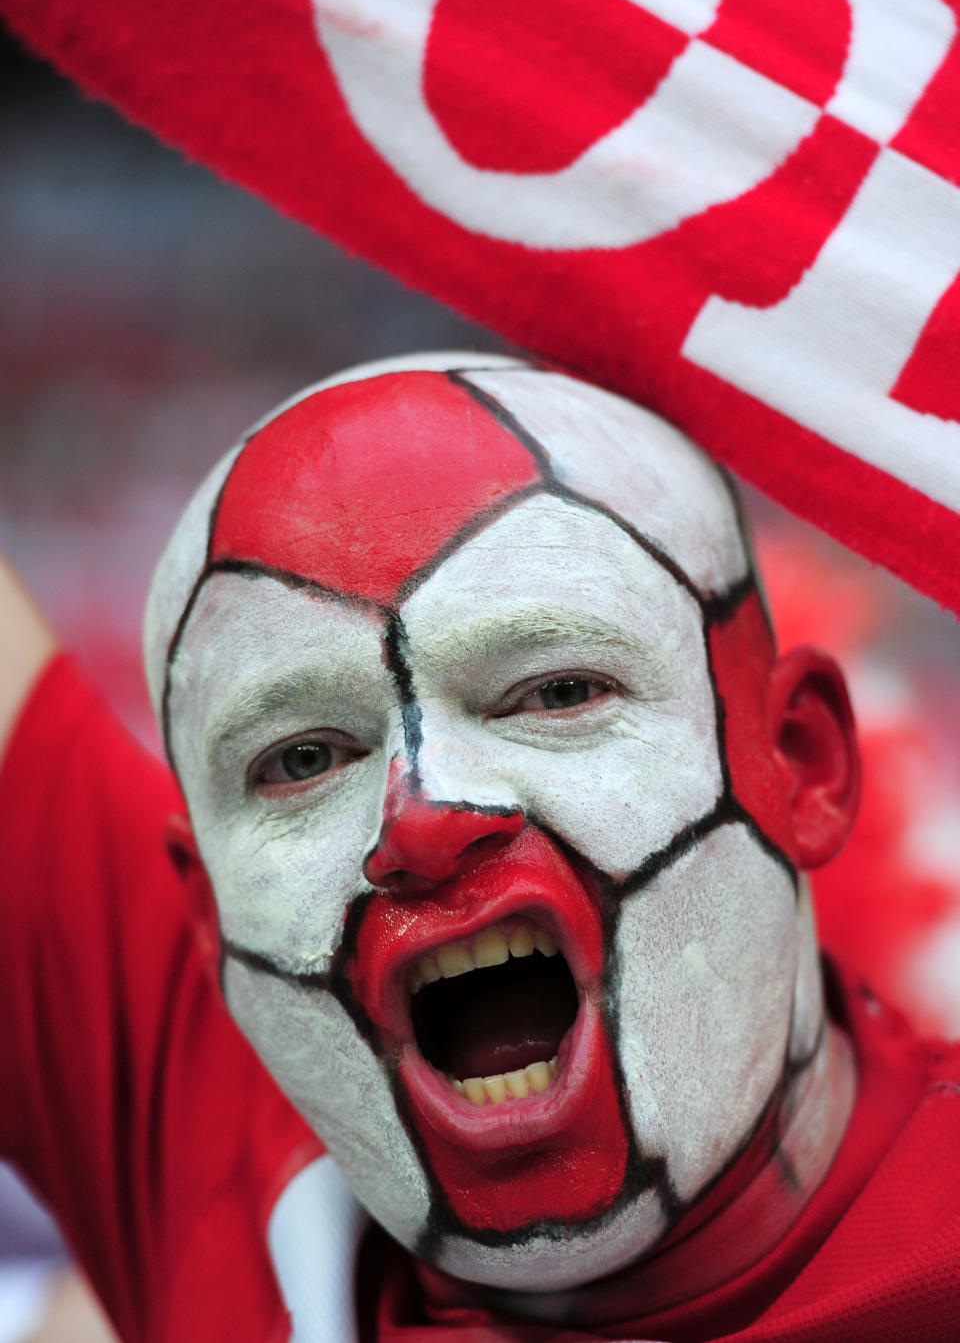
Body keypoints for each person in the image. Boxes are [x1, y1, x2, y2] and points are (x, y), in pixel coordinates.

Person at [1, 351, 958, 1342]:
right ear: (208, 923)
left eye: (555, 691)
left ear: (797, 761)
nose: (426, 819)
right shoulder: (212, 1166)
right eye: (305, 757)